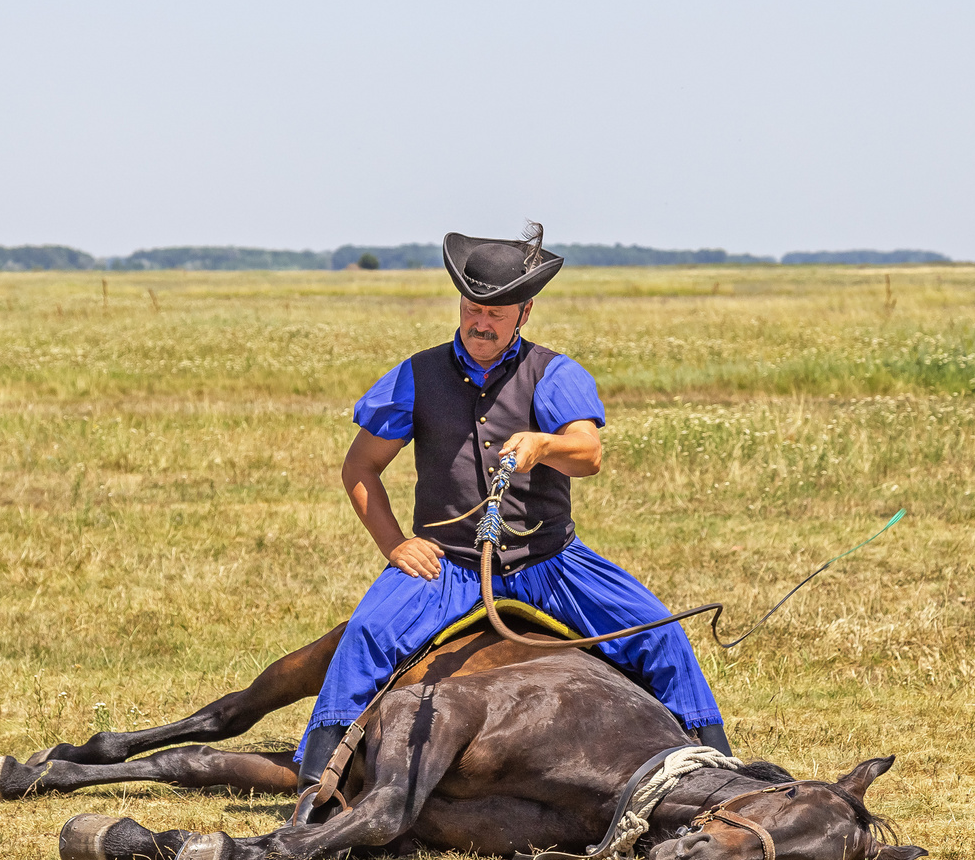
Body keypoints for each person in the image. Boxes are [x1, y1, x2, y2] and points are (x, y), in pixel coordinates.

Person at [295, 224, 729, 787]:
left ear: (524, 314)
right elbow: (360, 468)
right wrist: (396, 544)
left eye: (498, 313)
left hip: (550, 563)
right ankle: (313, 783)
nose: (482, 322)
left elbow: (589, 454)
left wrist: (544, 444)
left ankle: (718, 765)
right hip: (447, 566)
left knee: (658, 632)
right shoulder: (416, 376)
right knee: (366, 638)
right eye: (474, 307)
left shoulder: (553, 374)